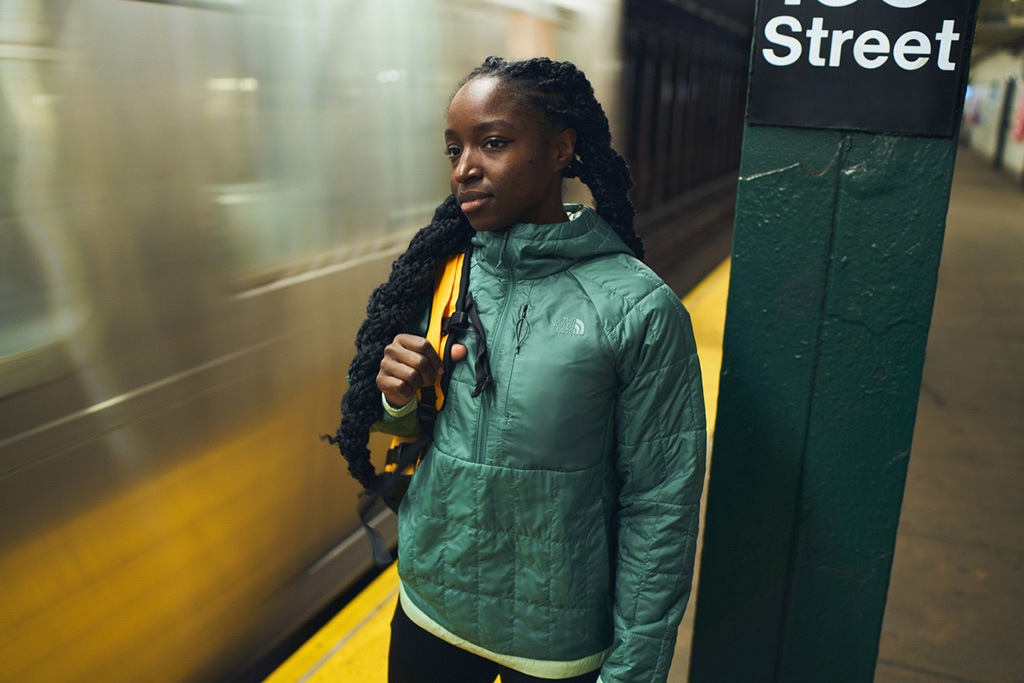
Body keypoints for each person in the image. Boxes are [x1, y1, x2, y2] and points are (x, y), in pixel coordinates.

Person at [328, 56, 706, 683]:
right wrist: (400, 398)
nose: (464, 168)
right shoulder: (445, 277)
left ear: (561, 149)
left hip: (557, 645)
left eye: (493, 143)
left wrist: (635, 670)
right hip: (430, 614)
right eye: (454, 150)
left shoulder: (636, 307)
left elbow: (661, 504)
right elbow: (422, 441)